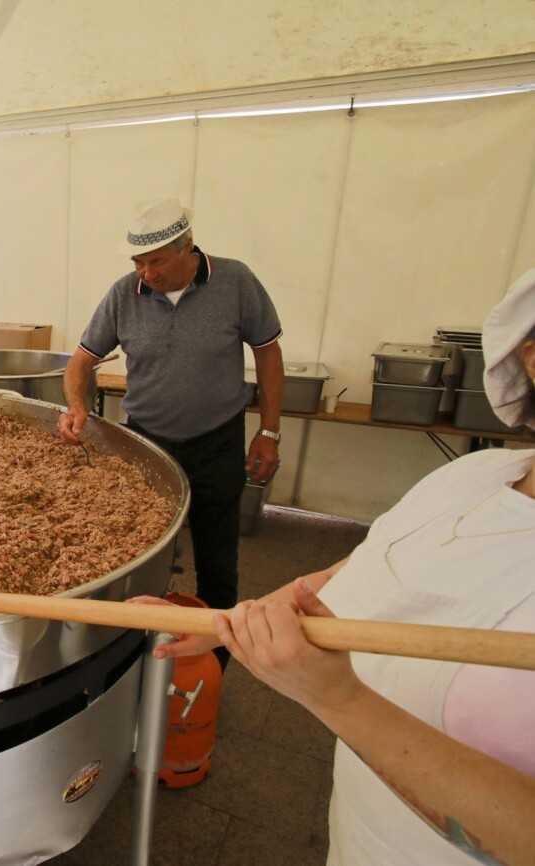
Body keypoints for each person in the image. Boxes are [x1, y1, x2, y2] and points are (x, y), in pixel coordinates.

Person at [144, 267, 535, 866]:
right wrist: (228, 621)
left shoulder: (235, 285)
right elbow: (349, 574)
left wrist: (338, 698)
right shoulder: (473, 476)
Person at [58, 199, 285, 655]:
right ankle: (141, 646)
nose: (146, 273)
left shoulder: (236, 281)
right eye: (138, 262)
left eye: (157, 260)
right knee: (142, 549)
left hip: (216, 441)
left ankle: (219, 654)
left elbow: (268, 353)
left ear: (187, 247)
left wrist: (269, 431)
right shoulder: (124, 294)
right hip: (146, 444)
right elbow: (79, 362)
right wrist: (76, 407)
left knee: (217, 553)